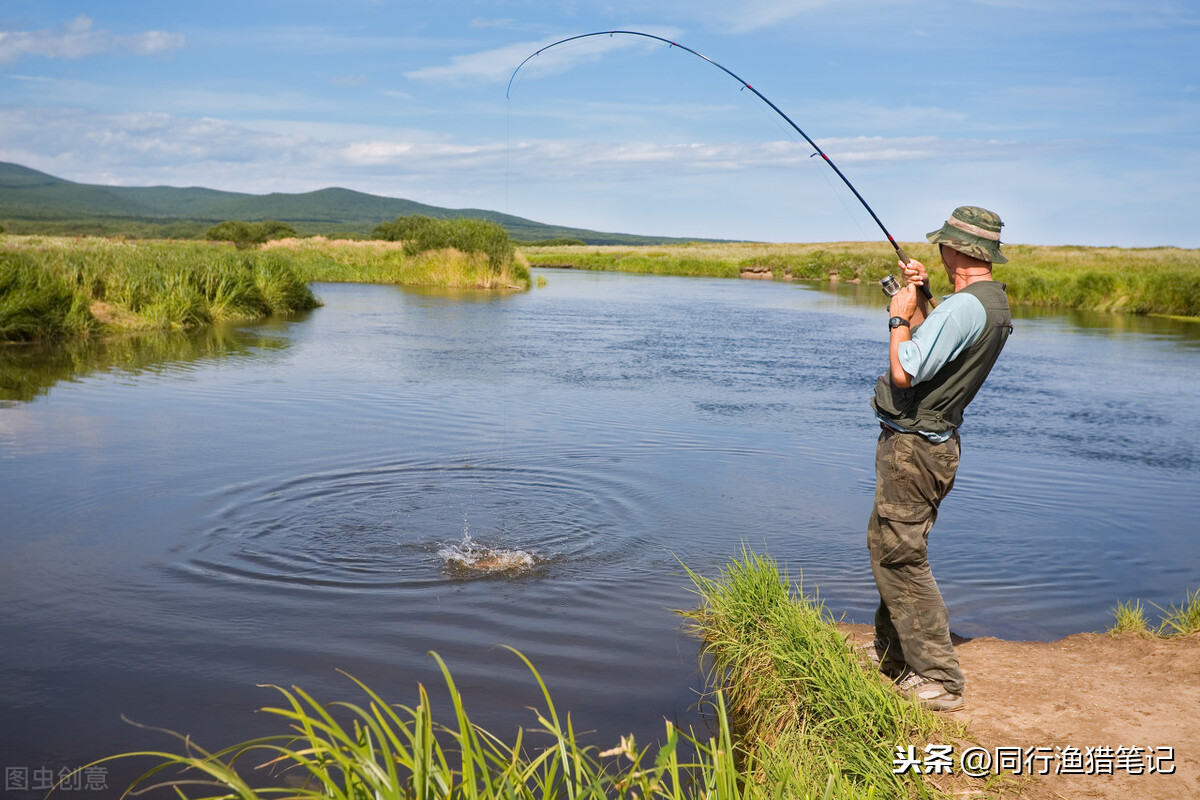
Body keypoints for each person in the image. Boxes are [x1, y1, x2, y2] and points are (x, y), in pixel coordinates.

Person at [866, 205, 1013, 712]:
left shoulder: (965, 307)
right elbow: (939, 345)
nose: (938, 249)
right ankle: (894, 652)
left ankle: (938, 678)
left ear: (960, 250)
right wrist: (926, 295)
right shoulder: (986, 301)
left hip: (914, 450)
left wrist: (898, 315)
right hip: (931, 446)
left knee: (902, 555)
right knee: (888, 542)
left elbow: (908, 370)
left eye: (943, 244)